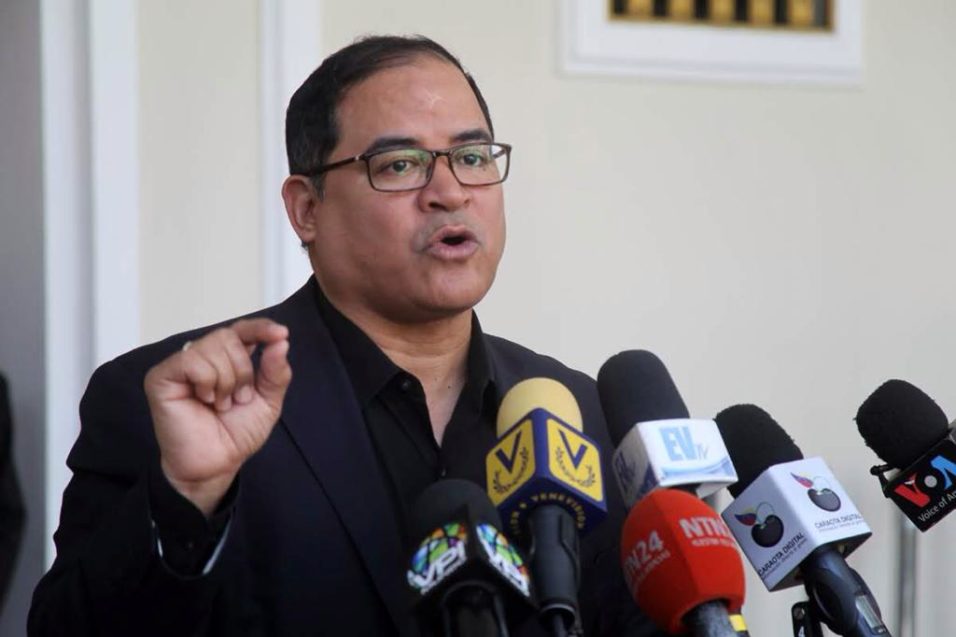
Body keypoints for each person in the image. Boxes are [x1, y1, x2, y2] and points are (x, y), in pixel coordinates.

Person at [29, 35, 662, 636]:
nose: (450, 193)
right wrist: (186, 496)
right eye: (400, 164)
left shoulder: (579, 413)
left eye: (472, 157)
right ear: (307, 209)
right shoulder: (184, 404)